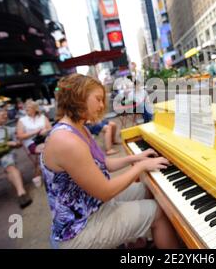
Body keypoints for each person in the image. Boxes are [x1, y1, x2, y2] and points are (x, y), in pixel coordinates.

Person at [41, 73, 180, 249]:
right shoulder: (66, 140)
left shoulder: (79, 128)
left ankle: (140, 240)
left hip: (91, 206)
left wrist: (135, 157)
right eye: (98, 99)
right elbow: (105, 192)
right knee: (157, 211)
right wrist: (141, 166)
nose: (101, 105)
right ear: (79, 96)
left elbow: (104, 163)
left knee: (150, 190)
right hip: (78, 229)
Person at [16, 100, 52, 187]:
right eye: (26, 108)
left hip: (44, 139)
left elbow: (50, 128)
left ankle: (41, 174)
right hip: (31, 142)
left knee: (49, 149)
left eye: (28, 108)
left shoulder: (42, 117)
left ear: (35, 109)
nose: (26, 109)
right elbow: (20, 136)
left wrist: (44, 131)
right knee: (46, 151)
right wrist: (35, 132)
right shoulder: (22, 120)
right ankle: (44, 173)